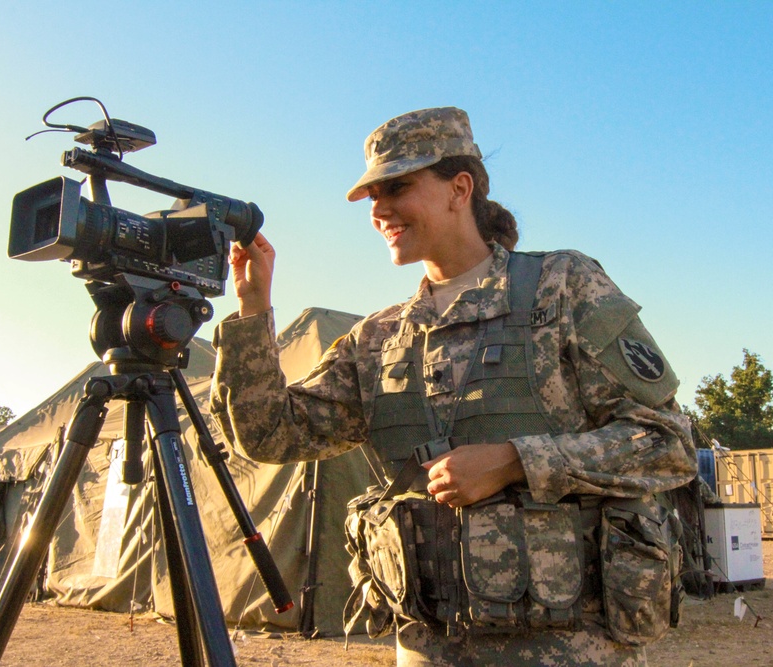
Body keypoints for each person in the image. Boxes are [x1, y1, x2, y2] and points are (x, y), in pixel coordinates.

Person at [209, 107, 696, 667]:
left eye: (397, 187)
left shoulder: (560, 287)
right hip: (426, 648)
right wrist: (252, 308)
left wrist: (516, 461)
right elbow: (271, 436)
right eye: (372, 197)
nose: (380, 210)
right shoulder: (380, 337)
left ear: (459, 188)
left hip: (566, 648)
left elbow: (668, 443)